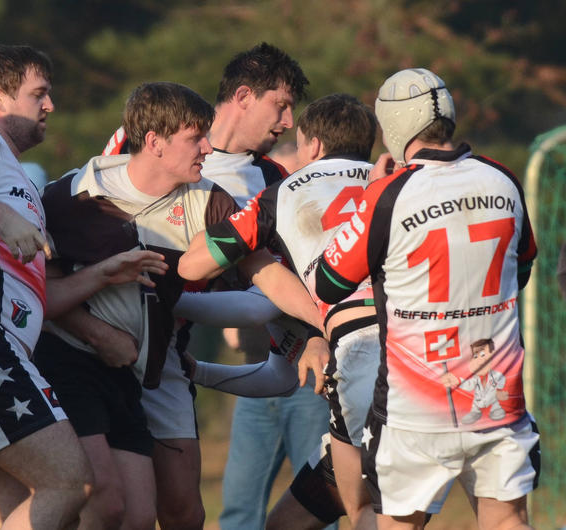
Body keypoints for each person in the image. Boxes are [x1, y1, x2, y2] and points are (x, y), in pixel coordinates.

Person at [38, 81, 319, 530]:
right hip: (78, 363)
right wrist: (99, 334)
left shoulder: (211, 200)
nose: (208, 148)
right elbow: (39, 292)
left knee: (182, 513)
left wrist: (324, 324)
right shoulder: (70, 196)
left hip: (156, 367)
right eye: (195, 138)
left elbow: (265, 273)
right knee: (105, 504)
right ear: (154, 142)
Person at [0, 44, 168, 530]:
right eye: (38, 94)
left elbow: (40, 302)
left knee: (9, 508)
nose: (50, 106)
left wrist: (104, 274)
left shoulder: (11, 170)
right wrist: (0, 214)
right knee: (70, 484)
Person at [102, 43, 329, 530]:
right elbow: (94, 208)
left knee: (184, 511)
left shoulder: (273, 181)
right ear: (243, 96)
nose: (288, 122)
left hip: (168, 350)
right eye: (280, 105)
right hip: (100, 338)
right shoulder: (155, 133)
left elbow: (277, 281)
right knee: (109, 502)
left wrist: (316, 332)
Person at [313, 68, 539, 529]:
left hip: (413, 411)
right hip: (496, 397)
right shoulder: (502, 178)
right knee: (507, 521)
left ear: (393, 129)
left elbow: (329, 283)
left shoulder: (388, 194)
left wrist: (369, 197)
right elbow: (522, 269)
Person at [179, 93, 381, 528]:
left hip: (359, 365)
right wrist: (200, 371)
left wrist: (175, 292)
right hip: (423, 359)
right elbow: (280, 375)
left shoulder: (285, 192)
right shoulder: (397, 184)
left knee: (368, 511)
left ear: (313, 145)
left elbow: (198, 266)